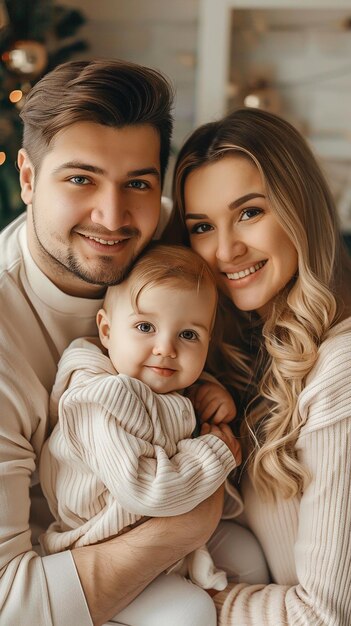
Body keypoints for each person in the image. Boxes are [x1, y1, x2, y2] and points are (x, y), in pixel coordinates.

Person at [0, 58, 228, 626]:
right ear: (27, 178)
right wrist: (182, 526)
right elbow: (7, 602)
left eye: (138, 185)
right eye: (81, 178)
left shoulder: (186, 245)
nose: (113, 216)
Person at [165, 106, 351, 626]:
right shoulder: (249, 350)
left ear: (299, 208)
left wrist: (178, 601)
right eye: (202, 226)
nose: (225, 249)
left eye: (249, 212)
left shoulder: (340, 369)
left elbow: (325, 616)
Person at [39, 244, 244, 610]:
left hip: (159, 535)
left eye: (189, 335)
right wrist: (216, 452)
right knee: (190, 612)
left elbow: (165, 405)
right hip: (101, 547)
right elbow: (143, 489)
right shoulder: (101, 400)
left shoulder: (157, 383)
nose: (165, 348)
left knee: (252, 556)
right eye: (145, 327)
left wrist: (206, 389)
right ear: (106, 330)